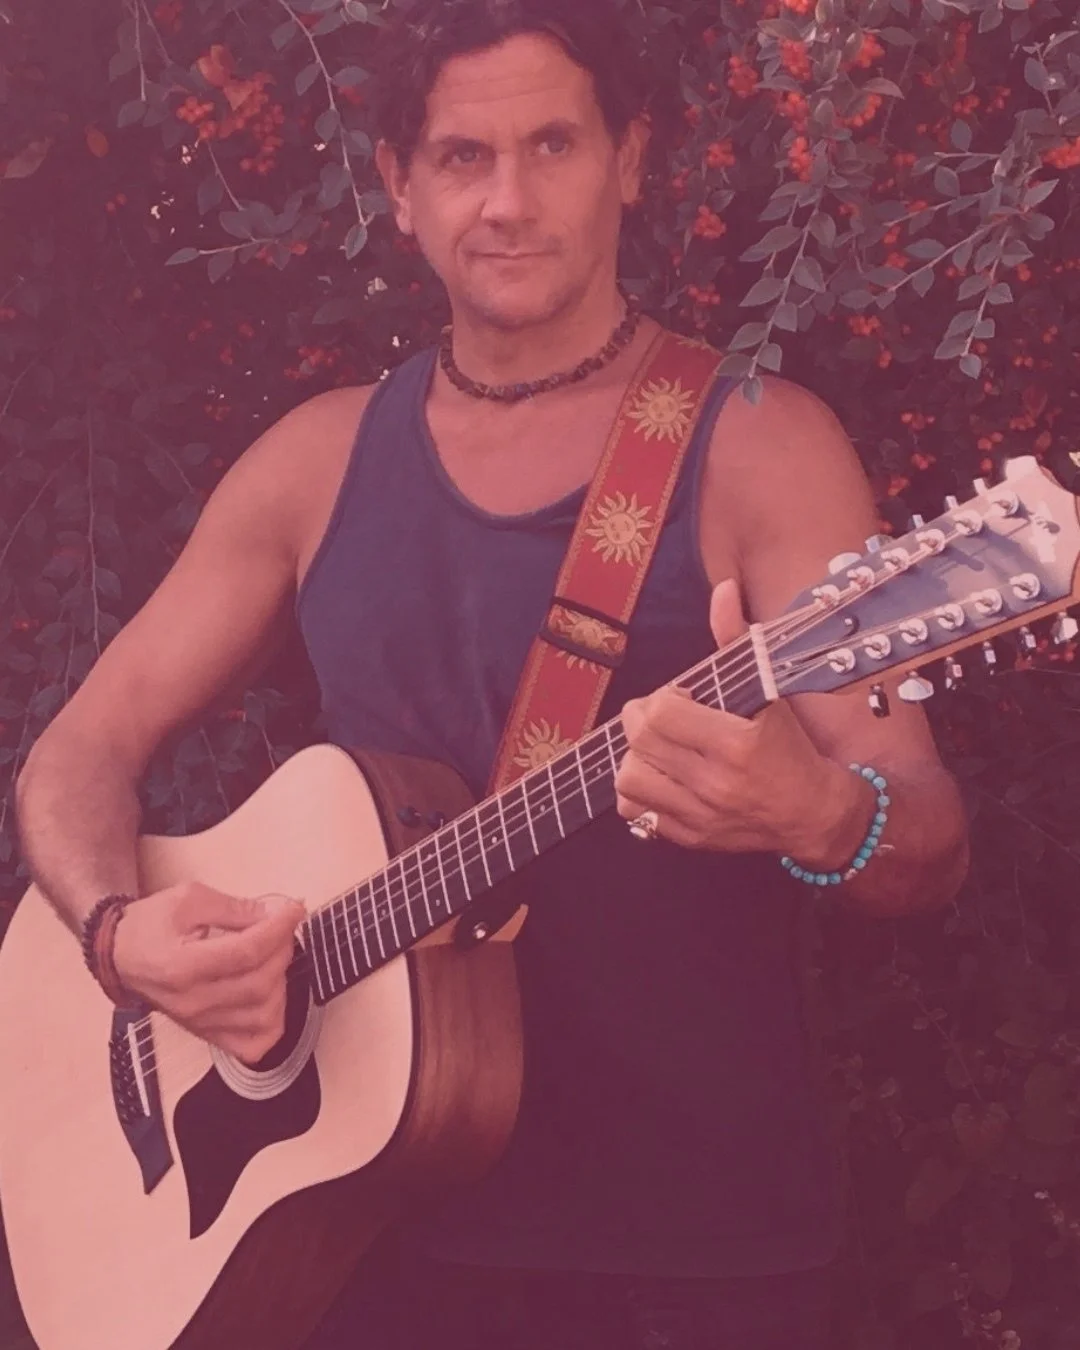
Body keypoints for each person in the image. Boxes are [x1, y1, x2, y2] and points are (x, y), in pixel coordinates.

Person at [14, 1, 969, 1346]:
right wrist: (121, 939)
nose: (509, 201)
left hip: (688, 1256)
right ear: (398, 189)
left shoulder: (759, 449)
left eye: (554, 145)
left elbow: (920, 831)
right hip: (351, 1243)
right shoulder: (317, 460)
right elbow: (75, 759)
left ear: (630, 160)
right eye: (463, 157)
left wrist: (820, 816)